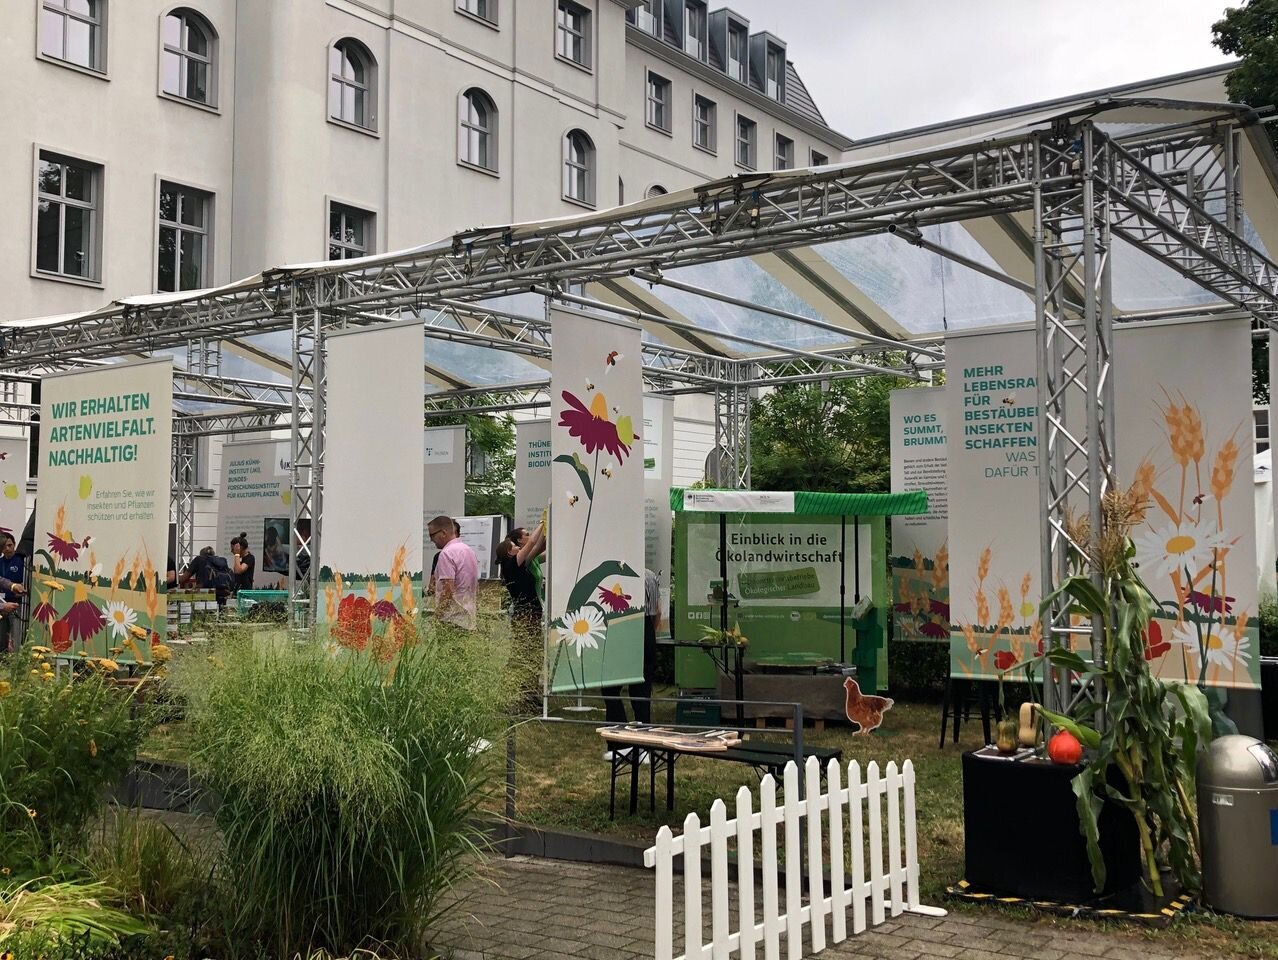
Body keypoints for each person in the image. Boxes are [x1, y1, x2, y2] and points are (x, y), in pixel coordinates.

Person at [601, 567, 659, 733]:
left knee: (610, 687)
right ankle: (644, 738)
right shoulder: (649, 575)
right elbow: (657, 611)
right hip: (645, 630)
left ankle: (618, 736)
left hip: (622, 629)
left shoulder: (614, 575)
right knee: (641, 690)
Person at [497, 524, 546, 708]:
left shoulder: (519, 565)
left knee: (533, 655)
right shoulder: (511, 565)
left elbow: (538, 546)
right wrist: (543, 521)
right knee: (522, 656)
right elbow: (532, 542)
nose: (519, 548)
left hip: (531, 614)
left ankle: (530, 695)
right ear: (510, 553)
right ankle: (512, 692)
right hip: (524, 616)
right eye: (515, 547)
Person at [428, 514, 477, 632]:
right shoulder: (469, 550)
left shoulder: (446, 554)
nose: (431, 540)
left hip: (452, 620)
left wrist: (437, 615)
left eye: (432, 535)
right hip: (468, 619)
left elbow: (448, 590)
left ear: (443, 533)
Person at [0, 533, 24, 653]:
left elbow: (2, 581)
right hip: (2, 605)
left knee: (16, 638)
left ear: (14, 544)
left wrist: (16, 587)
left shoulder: (22, 561)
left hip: (16, 605)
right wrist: (3, 606)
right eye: (4, 546)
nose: (7, 549)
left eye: (9, 545)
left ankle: (15, 663)